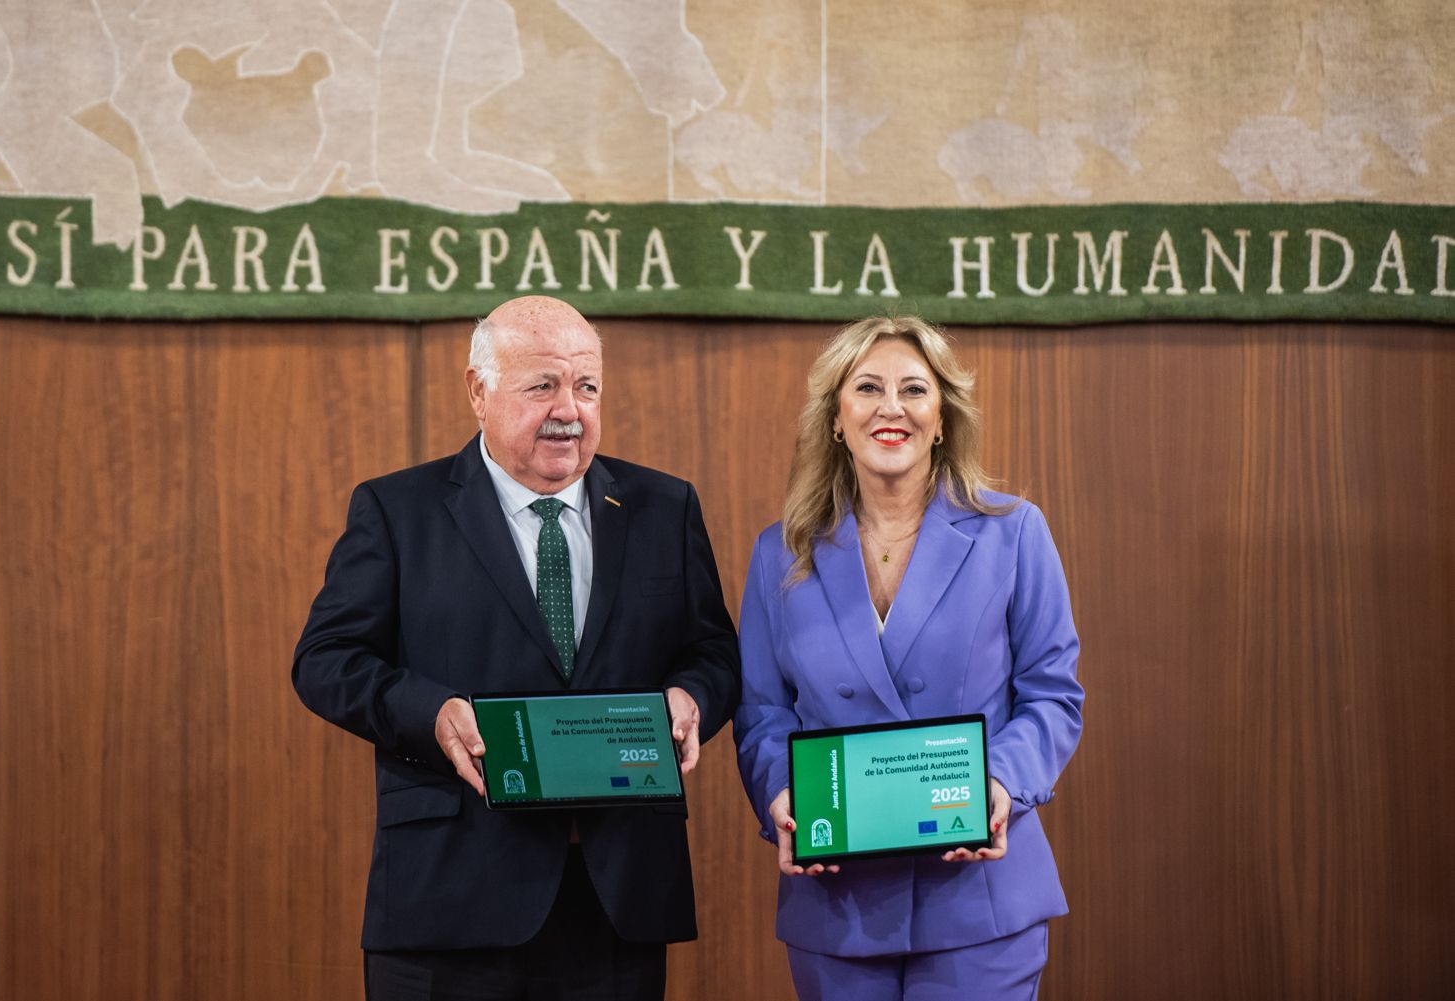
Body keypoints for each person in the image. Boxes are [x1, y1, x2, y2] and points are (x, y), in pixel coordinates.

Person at [293, 295, 740, 1001]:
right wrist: (431, 711)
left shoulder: (664, 507)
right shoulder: (397, 510)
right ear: (479, 389)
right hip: (451, 899)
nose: (570, 408)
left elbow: (713, 651)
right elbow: (325, 659)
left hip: (615, 900)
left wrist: (691, 698)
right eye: (543, 385)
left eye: (586, 386)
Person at [734, 316, 1083, 1001]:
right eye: (867, 387)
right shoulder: (779, 552)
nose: (890, 407)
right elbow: (761, 712)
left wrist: (1002, 783)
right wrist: (781, 792)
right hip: (837, 906)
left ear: (943, 417)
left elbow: (1053, 697)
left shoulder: (1014, 532)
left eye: (914, 389)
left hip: (980, 899)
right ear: (836, 417)